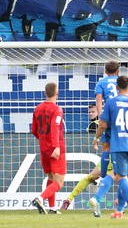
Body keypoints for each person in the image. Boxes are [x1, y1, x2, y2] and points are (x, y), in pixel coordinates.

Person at [89, 75, 128, 219]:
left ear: (117, 88)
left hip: (118, 145)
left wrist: (96, 137)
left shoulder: (111, 103)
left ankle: (101, 199)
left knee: (120, 176)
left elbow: (103, 124)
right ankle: (124, 210)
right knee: (122, 176)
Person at [31, 82, 66, 215]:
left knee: (51, 177)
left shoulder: (38, 108)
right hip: (56, 148)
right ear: (57, 93)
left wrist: (44, 141)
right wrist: (56, 147)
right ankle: (40, 198)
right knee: (59, 182)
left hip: (44, 149)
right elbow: (54, 128)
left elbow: (34, 130)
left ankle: (52, 208)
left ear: (46, 93)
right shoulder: (57, 109)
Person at [93, 61, 119, 178]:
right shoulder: (122, 81)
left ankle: (103, 176)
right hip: (121, 115)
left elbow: (99, 102)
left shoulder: (101, 83)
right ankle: (118, 172)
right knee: (119, 146)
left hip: (108, 116)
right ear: (118, 71)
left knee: (106, 148)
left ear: (105, 71)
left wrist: (100, 118)